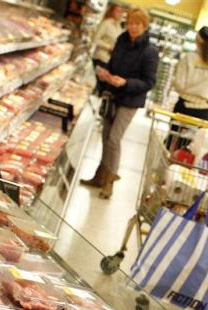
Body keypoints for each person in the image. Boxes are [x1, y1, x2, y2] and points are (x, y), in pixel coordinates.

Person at [83, 7, 158, 199]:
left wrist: (126, 82)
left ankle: (109, 182)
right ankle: (100, 175)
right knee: (106, 138)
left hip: (130, 100)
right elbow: (113, 64)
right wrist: (105, 73)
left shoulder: (150, 52)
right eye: (130, 22)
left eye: (137, 24)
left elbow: (149, 82)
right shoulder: (121, 41)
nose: (133, 27)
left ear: (145, 26)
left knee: (114, 139)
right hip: (113, 95)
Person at [172, 26, 208, 121]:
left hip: (183, 107)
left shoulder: (188, 58)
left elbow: (179, 84)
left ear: (197, 40)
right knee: (196, 136)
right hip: (203, 110)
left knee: (175, 135)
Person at [91, 4, 123, 70]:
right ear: (111, 12)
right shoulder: (106, 23)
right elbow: (95, 39)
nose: (119, 13)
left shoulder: (118, 26)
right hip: (100, 58)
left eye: (121, 11)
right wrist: (109, 47)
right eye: (117, 11)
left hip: (110, 60)